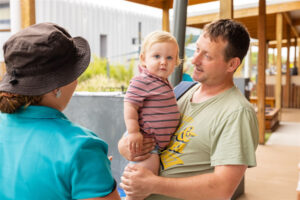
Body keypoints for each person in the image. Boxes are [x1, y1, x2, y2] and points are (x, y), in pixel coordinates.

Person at [119, 19, 259, 200]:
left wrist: (153, 183)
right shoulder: (180, 90)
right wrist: (126, 146)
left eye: (207, 56)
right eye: (198, 49)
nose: (194, 59)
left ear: (232, 64)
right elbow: (136, 132)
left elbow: (222, 188)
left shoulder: (237, 113)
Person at [0, 22, 120, 200]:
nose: (77, 81)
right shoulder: (82, 148)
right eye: (75, 74)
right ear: (55, 87)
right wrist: (93, 169)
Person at [123, 31, 181, 199]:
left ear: (176, 62)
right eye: (156, 56)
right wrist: (133, 132)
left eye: (170, 58)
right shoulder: (143, 80)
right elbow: (130, 106)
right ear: (143, 59)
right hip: (146, 140)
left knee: (145, 182)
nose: (163, 62)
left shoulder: (163, 82)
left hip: (155, 143)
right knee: (140, 185)